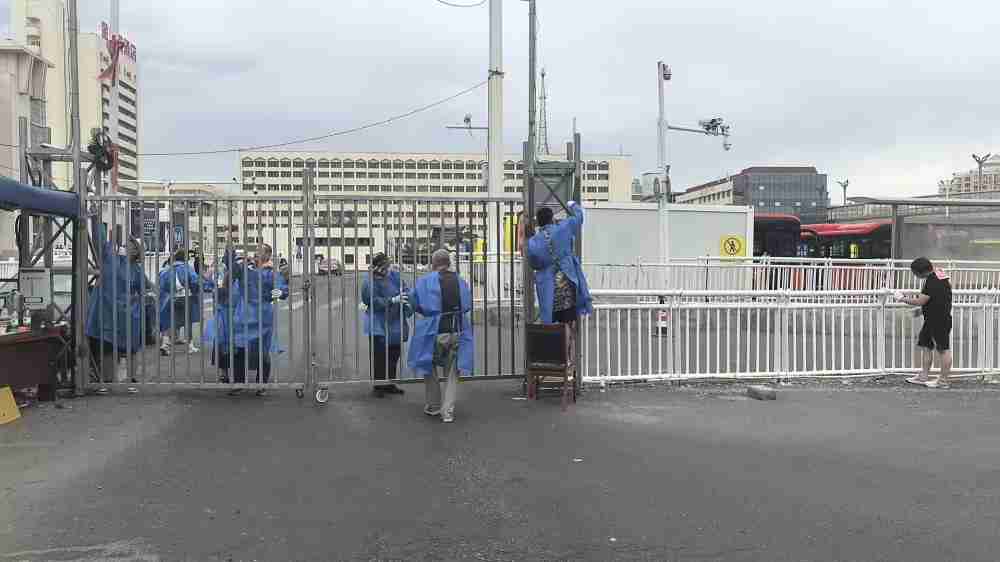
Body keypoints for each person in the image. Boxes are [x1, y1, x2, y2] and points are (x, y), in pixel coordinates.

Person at [408, 249, 474, 423]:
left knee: (428, 365)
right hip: (457, 330)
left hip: (433, 332)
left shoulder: (425, 281)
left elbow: (414, 302)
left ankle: (434, 405)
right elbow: (467, 305)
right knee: (453, 373)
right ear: (449, 263)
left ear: (433, 264)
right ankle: (448, 412)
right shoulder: (460, 281)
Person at [526, 201, 593, 360]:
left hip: (548, 289)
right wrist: (572, 205)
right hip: (566, 283)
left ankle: (553, 358)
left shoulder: (534, 242)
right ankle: (568, 358)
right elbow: (579, 217)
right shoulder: (563, 228)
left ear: (539, 223)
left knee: (550, 324)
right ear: (552, 219)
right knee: (568, 322)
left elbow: (534, 263)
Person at [85, 232, 147, 389]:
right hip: (113, 313)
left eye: (131, 245)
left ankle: (128, 379)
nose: (126, 246)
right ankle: (110, 380)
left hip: (123, 314)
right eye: (126, 244)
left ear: (136, 251)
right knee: (109, 346)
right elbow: (100, 241)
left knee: (128, 348)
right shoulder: (114, 260)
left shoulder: (133, 268)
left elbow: (144, 290)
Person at [231, 243, 289, 396]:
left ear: (268, 255)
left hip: (262, 316)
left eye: (260, 251)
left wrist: (276, 293)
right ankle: (238, 382)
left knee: (262, 350)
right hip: (243, 314)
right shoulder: (246, 269)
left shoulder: (271, 273)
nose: (256, 253)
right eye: (256, 251)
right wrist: (238, 259)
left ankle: (261, 384)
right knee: (239, 348)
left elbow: (283, 290)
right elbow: (231, 271)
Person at [896, 257, 953, 388]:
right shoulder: (940, 275)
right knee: (926, 345)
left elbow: (920, 301)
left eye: (915, 273)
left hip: (939, 320)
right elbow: (937, 298)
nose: (915, 276)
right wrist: (922, 311)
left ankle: (943, 381)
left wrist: (902, 298)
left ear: (920, 272)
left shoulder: (932, 281)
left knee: (943, 349)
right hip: (932, 319)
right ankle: (923, 376)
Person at [361, 252, 412, 398]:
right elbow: (371, 301)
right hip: (378, 322)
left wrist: (405, 296)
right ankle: (378, 386)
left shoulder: (394, 276)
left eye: (388, 266)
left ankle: (390, 383)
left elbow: (404, 288)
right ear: (379, 266)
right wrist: (392, 300)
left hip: (394, 321)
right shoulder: (369, 280)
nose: (389, 269)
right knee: (380, 356)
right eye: (386, 266)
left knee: (394, 354)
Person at [158, 248, 206, 356]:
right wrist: (196, 290)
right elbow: (195, 281)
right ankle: (190, 346)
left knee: (169, 320)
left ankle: (165, 344)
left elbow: (162, 284)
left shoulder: (167, 269)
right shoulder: (187, 268)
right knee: (187, 320)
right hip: (185, 296)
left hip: (171, 297)